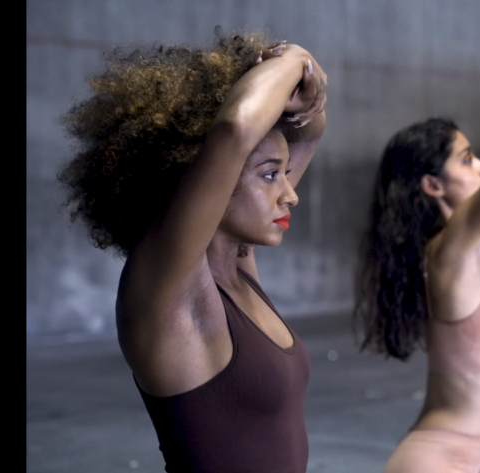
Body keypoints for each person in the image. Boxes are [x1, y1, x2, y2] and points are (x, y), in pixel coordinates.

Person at [57, 30, 327, 472]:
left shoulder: (236, 264)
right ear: (205, 177)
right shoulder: (164, 285)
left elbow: (307, 131)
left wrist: (307, 80)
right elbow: (235, 128)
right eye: (269, 175)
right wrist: (296, 58)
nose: (289, 194)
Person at [354, 115, 480, 473]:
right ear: (432, 185)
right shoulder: (450, 252)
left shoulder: (463, 249)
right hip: (436, 462)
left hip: (461, 459)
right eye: (466, 159)